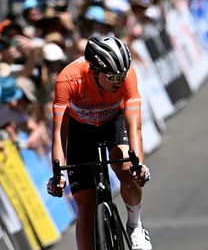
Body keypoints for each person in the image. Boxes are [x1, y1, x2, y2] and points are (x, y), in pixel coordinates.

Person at [46, 35, 152, 250]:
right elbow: (59, 133)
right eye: (113, 77)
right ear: (95, 70)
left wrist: (138, 163)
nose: (119, 81)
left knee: (127, 169)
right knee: (85, 204)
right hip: (80, 129)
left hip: (114, 121)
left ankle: (135, 226)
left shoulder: (127, 76)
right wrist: (57, 173)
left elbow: (135, 127)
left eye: (122, 75)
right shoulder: (68, 80)